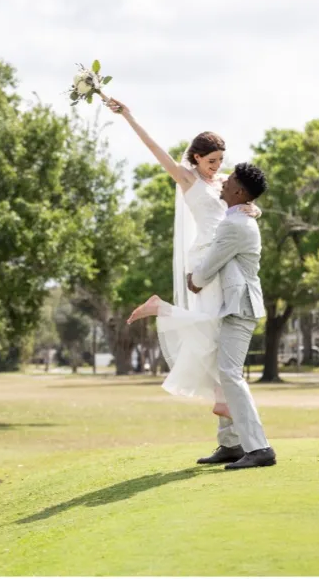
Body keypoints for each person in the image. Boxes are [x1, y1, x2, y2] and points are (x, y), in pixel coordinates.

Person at [103, 96, 258, 420]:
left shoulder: (223, 181)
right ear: (197, 157)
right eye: (211, 161)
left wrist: (254, 208)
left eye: (220, 161)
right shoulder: (187, 178)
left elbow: (244, 199)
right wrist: (128, 115)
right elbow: (153, 148)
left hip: (226, 252)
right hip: (205, 254)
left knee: (217, 329)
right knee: (215, 324)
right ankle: (161, 309)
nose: (217, 167)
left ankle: (220, 397)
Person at [186, 164, 276, 469]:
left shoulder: (234, 226)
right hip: (233, 305)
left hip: (241, 307)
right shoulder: (238, 217)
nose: (223, 183)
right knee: (222, 373)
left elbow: (208, 268)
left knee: (230, 374)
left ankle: (259, 447)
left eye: (230, 182)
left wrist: (193, 280)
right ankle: (231, 444)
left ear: (239, 192)